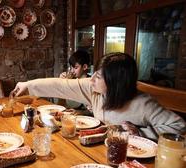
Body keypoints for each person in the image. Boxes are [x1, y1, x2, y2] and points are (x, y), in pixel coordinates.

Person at [11, 52, 186, 140]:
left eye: (99, 76)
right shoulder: (94, 90)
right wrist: (28, 86)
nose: (92, 79)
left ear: (115, 83)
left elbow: (179, 125)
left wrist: (142, 132)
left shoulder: (143, 104)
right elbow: (61, 85)